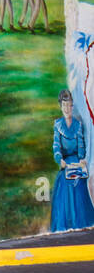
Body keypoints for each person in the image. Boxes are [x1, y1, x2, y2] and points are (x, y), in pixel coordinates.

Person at [51, 89, 94, 232]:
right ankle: (66, 225)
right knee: (64, 186)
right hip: (66, 163)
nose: (67, 109)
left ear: (72, 106)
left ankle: (81, 224)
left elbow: (81, 144)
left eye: (69, 105)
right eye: (64, 106)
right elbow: (56, 146)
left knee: (79, 185)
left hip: (76, 161)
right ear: (60, 106)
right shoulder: (58, 125)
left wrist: (82, 159)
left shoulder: (78, 124)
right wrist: (60, 159)